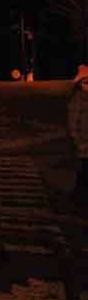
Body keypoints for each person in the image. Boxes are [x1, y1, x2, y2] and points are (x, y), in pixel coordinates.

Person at [68, 65, 88, 209]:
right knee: (84, 172)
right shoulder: (79, 99)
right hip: (85, 144)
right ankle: (77, 200)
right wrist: (79, 141)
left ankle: (78, 199)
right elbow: (74, 123)